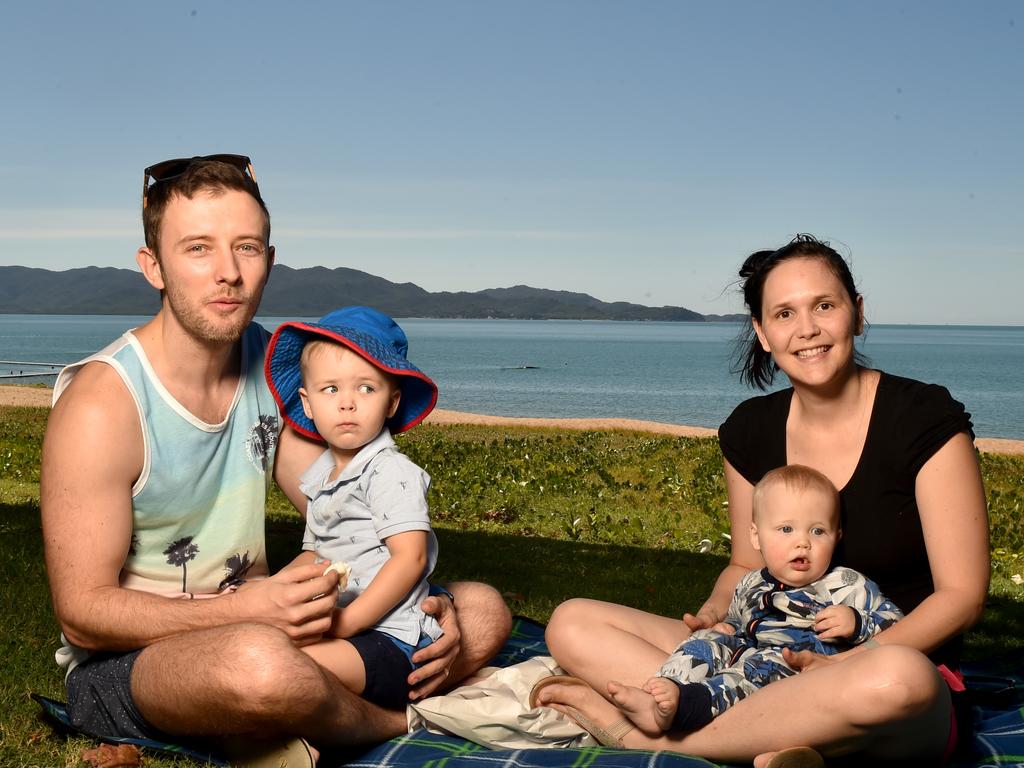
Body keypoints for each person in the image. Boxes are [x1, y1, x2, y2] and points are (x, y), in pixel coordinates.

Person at [40, 155, 511, 766]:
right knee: (261, 670)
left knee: (481, 608)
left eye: (247, 248)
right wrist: (240, 612)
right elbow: (83, 616)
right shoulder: (102, 404)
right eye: (198, 249)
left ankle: (289, 720)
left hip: (269, 623)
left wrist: (414, 595)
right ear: (153, 266)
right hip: (137, 660)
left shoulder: (268, 364)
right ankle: (394, 722)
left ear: (270, 258)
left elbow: (343, 509)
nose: (229, 274)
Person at [534, 234, 988, 767]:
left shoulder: (923, 417)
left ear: (857, 313)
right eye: (784, 314)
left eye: (824, 305)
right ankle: (791, 740)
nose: (808, 330)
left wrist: (853, 661)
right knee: (571, 622)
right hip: (757, 659)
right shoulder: (749, 431)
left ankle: (649, 738)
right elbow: (745, 565)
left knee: (899, 679)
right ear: (763, 332)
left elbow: (961, 596)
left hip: (883, 670)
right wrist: (711, 611)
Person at [605, 464, 902, 738]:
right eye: (786, 529)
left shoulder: (845, 584)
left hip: (796, 667)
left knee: (751, 672)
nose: (803, 542)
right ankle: (667, 689)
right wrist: (728, 628)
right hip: (748, 648)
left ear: (837, 537)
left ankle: (686, 709)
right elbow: (739, 618)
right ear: (756, 537)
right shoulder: (751, 582)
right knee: (703, 642)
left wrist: (857, 622)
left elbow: (896, 620)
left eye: (817, 531)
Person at [264, 305, 446, 709]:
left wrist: (349, 622)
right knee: (259, 645)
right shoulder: (321, 477)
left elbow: (410, 559)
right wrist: (269, 591)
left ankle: (334, 727)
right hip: (344, 627)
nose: (347, 403)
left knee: (285, 666)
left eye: (366, 388)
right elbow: (315, 553)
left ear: (392, 402)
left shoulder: (389, 472)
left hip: (392, 640)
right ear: (307, 404)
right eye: (331, 389)